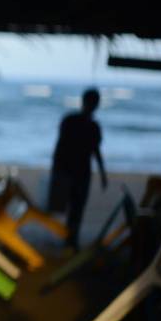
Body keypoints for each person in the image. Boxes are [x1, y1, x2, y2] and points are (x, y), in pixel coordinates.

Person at [46, 88, 108, 251]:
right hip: (77, 172)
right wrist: (102, 174)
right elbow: (95, 151)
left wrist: (102, 174)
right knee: (74, 209)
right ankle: (70, 241)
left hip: (72, 171)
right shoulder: (91, 126)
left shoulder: (72, 121)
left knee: (72, 209)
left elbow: (60, 148)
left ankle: (70, 240)